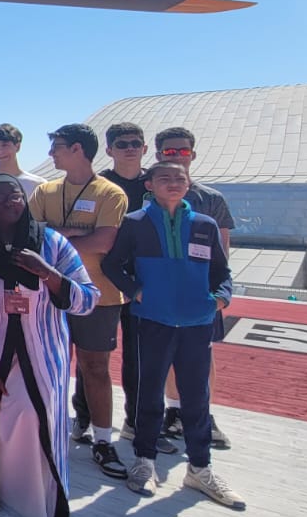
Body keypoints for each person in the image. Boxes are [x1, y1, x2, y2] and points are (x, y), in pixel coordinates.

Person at [0, 174, 97, 517]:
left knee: (34, 418)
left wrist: (48, 274)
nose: (11, 202)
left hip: (43, 355)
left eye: (15, 195)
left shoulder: (52, 244)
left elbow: (88, 299)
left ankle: (35, 500)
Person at [103, 162, 241, 506]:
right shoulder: (135, 223)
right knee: (149, 395)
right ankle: (145, 462)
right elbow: (111, 265)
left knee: (197, 397)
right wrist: (135, 291)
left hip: (196, 323)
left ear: (189, 182)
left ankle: (199, 468)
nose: (174, 184)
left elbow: (222, 272)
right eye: (165, 178)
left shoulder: (205, 225)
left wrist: (220, 297)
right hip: (152, 321)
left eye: (180, 178)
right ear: (150, 184)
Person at [30, 123, 130, 480]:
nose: (51, 154)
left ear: (76, 149)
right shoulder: (45, 191)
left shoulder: (110, 193)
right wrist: (76, 235)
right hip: (50, 294)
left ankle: (103, 441)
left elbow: (104, 242)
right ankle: (52, 430)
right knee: (51, 366)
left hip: (98, 296)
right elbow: (33, 238)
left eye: (56, 147)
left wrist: (58, 239)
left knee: (95, 368)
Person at [152, 126, 236, 450]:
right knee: (166, 355)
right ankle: (173, 412)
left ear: (193, 154)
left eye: (182, 151)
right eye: (169, 152)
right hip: (160, 293)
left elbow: (223, 253)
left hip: (199, 293)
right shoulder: (149, 198)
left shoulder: (211, 199)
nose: (175, 157)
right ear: (158, 155)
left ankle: (202, 414)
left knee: (202, 355)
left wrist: (217, 294)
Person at [97, 122, 174, 452]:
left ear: (145, 149)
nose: (129, 147)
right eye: (121, 143)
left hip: (144, 285)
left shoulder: (154, 184)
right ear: (109, 149)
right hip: (103, 280)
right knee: (94, 356)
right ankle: (86, 419)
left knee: (140, 359)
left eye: (135, 143)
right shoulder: (98, 185)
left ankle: (137, 421)